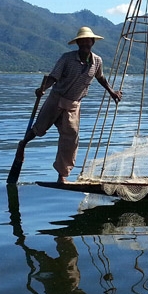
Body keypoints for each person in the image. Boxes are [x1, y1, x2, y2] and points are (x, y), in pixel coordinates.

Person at [18, 26, 122, 183]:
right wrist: (42, 89)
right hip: (56, 98)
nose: (85, 44)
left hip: (74, 104)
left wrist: (111, 91)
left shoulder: (97, 61)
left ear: (92, 43)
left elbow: (100, 78)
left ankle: (62, 175)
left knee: (71, 138)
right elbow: (54, 77)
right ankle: (23, 144)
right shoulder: (67, 58)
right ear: (78, 43)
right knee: (39, 128)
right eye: (82, 42)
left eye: (88, 41)